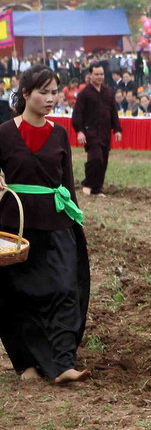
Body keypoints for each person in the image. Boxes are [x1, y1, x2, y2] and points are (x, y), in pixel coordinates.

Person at [0, 66, 90, 384]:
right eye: (43, 92)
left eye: (55, 92)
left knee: (66, 288)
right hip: (16, 228)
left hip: (56, 222)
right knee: (17, 295)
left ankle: (64, 361)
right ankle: (26, 362)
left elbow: (66, 183)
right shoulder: (5, 133)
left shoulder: (59, 133)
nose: (51, 98)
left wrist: (75, 220)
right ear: (25, 94)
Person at [72, 64, 121, 196]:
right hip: (90, 132)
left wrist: (117, 129)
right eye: (97, 74)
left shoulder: (108, 92)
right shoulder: (85, 93)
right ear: (90, 75)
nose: (99, 77)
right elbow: (77, 114)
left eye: (101, 74)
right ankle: (88, 183)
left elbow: (113, 112)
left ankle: (97, 188)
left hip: (105, 132)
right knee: (96, 159)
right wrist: (80, 131)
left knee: (103, 161)